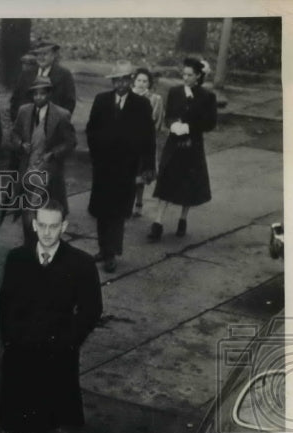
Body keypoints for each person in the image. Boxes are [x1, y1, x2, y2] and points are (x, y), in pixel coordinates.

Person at [0, 201, 102, 433]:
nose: (46, 232)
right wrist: (11, 338)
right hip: (21, 354)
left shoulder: (80, 264)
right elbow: (4, 303)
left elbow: (92, 310)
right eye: (41, 225)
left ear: (64, 227)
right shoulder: (17, 259)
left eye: (53, 226)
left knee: (50, 417)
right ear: (33, 224)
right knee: (15, 424)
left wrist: (69, 341)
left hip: (57, 357)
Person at [85, 61, 156, 272]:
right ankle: (103, 248)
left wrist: (148, 165)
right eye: (117, 80)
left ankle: (112, 253)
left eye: (125, 80)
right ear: (112, 82)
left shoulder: (141, 104)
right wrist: (97, 153)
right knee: (101, 209)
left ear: (131, 80)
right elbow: (91, 129)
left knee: (117, 211)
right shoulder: (101, 100)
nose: (121, 84)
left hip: (127, 167)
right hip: (103, 166)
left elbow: (148, 137)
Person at [148, 57, 217, 241]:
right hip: (174, 143)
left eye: (190, 75)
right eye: (184, 74)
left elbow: (210, 122)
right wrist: (172, 125)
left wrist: (191, 127)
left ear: (198, 76)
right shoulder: (175, 92)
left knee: (188, 182)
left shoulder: (207, 96)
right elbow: (169, 114)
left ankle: (183, 218)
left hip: (192, 145)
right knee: (167, 178)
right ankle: (158, 222)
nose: (186, 78)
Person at [10, 76, 76, 246]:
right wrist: (20, 144)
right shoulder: (24, 111)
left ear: (49, 94)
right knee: (27, 213)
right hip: (28, 169)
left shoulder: (61, 115)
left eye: (42, 93)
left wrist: (53, 153)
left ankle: (43, 246)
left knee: (43, 211)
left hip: (48, 172)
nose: (38, 97)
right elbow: (14, 133)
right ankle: (29, 246)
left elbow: (70, 142)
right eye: (35, 94)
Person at [10, 40, 76, 121]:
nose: (41, 57)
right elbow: (16, 99)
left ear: (54, 55)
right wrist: (18, 121)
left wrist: (60, 123)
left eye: (44, 54)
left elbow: (69, 103)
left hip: (54, 125)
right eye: (38, 54)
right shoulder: (26, 74)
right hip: (27, 124)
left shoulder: (64, 75)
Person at [131, 67, 165, 217]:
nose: (141, 84)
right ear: (134, 81)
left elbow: (157, 122)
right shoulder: (127, 95)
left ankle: (138, 202)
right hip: (126, 141)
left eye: (145, 81)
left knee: (140, 174)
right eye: (139, 80)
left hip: (144, 141)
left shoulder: (155, 99)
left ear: (149, 83)